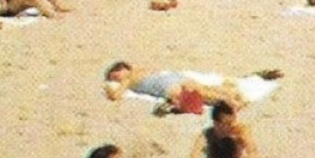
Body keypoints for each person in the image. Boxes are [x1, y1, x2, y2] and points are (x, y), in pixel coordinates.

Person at [102, 62, 253, 113]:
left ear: (122, 70)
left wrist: (109, 90)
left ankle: (232, 102)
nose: (115, 79)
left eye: (115, 76)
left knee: (202, 97)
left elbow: (116, 96)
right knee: (204, 89)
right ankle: (235, 94)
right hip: (172, 77)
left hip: (165, 85)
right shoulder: (141, 69)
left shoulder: (129, 78)